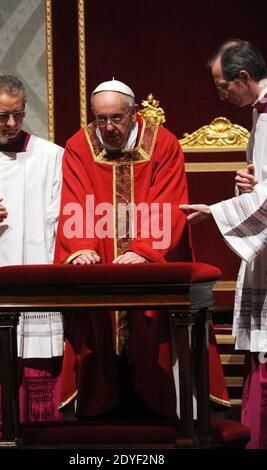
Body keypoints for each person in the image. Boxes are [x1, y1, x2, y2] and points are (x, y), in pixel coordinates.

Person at [54, 79, 229, 420]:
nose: (108, 127)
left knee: (155, 342)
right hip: (101, 261)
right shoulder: (79, 145)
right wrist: (83, 246)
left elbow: (169, 202)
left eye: (116, 118)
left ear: (133, 113)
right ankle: (102, 417)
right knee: (101, 339)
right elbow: (74, 201)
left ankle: (163, 416)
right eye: (100, 119)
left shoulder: (162, 144)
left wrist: (144, 250)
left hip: (155, 263)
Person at [0, 75, 65, 448]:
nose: (11, 124)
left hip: (35, 281)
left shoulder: (50, 155)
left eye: (19, 115)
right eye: (2, 116)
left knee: (34, 367)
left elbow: (62, 219)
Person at [180, 40, 267, 448]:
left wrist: (216, 211)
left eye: (222, 87)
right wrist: (253, 184)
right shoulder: (259, 113)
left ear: (244, 78)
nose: (220, 95)